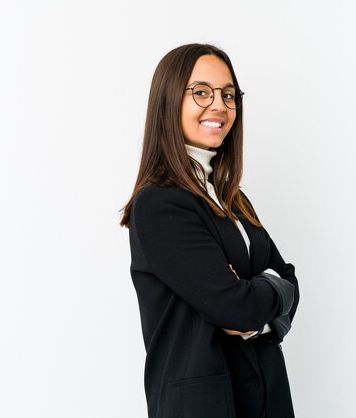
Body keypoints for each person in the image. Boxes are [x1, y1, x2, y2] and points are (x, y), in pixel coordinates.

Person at [119, 43, 300, 418]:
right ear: (169, 100)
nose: (219, 105)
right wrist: (259, 300)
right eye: (201, 92)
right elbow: (236, 307)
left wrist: (259, 297)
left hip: (266, 397)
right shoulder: (160, 203)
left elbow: (290, 283)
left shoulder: (234, 199)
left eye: (229, 94)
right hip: (205, 406)